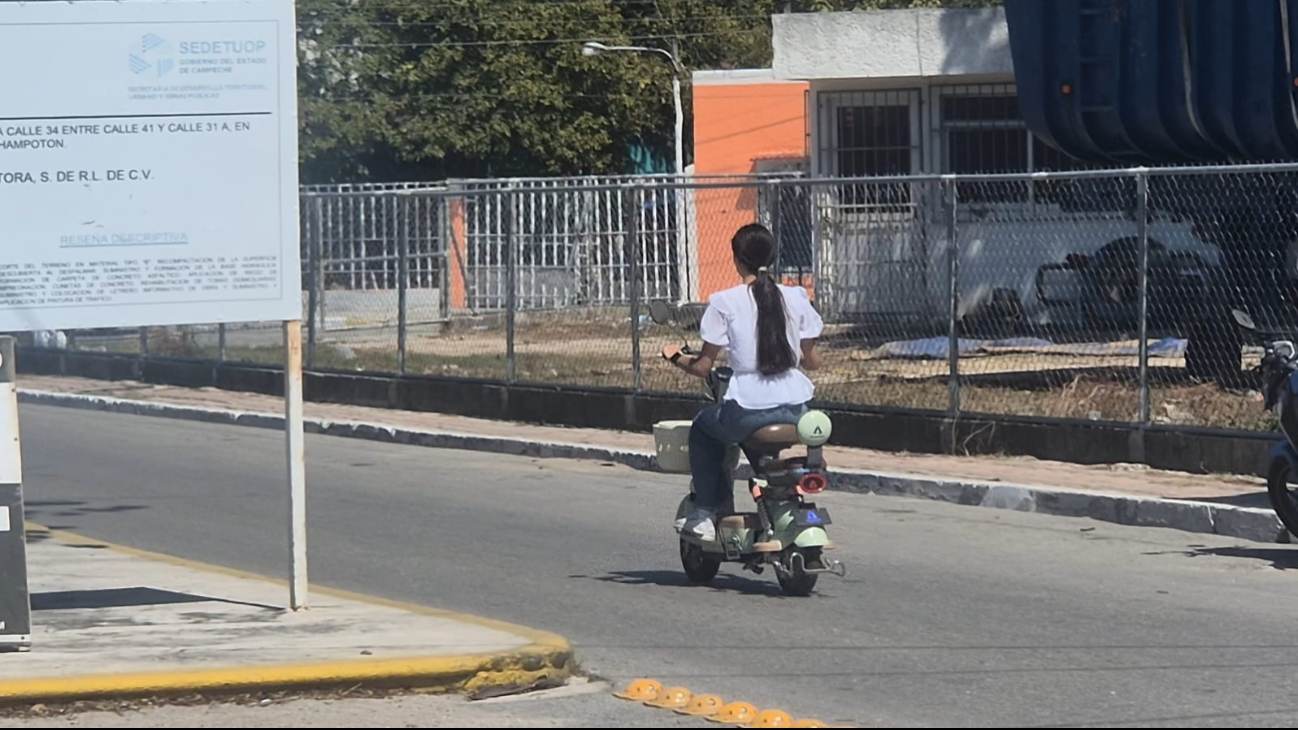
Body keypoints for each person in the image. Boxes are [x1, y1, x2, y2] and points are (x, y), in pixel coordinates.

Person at [661, 223, 824, 541]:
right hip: (796, 409)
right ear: (773, 257)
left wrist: (675, 356)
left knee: (705, 429)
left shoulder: (725, 301)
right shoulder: (795, 296)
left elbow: (703, 366)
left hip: (748, 406)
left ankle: (706, 512)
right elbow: (812, 359)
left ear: (737, 259)